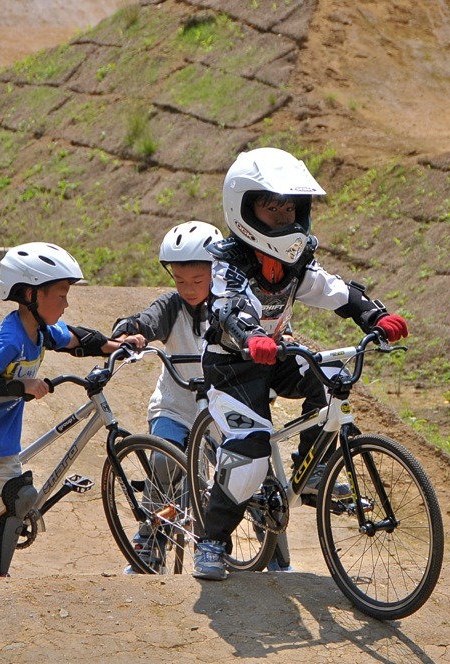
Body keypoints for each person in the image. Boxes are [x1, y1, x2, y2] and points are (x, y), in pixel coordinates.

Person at [192, 147, 410, 581]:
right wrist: (252, 336)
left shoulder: (294, 261)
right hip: (232, 367)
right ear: (244, 210)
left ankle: (314, 472)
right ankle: (211, 541)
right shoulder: (227, 260)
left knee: (333, 378)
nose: (283, 216)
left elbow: (330, 289)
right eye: (271, 208)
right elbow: (228, 308)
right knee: (250, 455)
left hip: (276, 355)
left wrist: (373, 314)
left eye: (289, 207)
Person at [0, 242, 118, 579]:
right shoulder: (8, 340)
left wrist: (113, 345)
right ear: (31, 293)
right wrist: (22, 387)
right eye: (60, 295)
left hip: (1, 443)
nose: (66, 303)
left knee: (16, 502)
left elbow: (74, 339)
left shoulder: (41, 331)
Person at [110, 220, 223, 573]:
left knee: (245, 471)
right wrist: (132, 332)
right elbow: (147, 320)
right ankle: (150, 541)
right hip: (175, 405)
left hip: (222, 408)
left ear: (216, 272)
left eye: (197, 281)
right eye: (179, 280)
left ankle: (273, 557)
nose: (188, 289)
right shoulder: (171, 306)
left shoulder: (230, 304)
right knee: (162, 464)